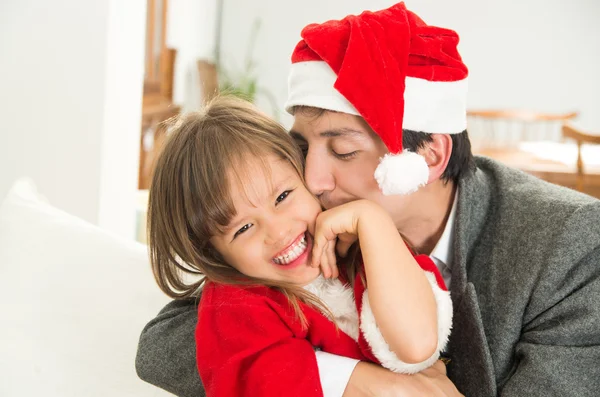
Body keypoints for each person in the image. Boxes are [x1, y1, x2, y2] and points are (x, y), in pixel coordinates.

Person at [136, 3, 600, 396]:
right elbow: (165, 342)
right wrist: (372, 384)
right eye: (301, 148)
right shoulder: (305, 226)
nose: (313, 178)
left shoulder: (570, 247)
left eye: (343, 151)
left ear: (429, 155)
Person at [146, 95, 453, 396]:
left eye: (283, 197)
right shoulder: (237, 304)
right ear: (214, 254)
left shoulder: (364, 244)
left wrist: (372, 219)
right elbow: (254, 378)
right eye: (243, 228)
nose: (278, 231)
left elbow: (417, 345)